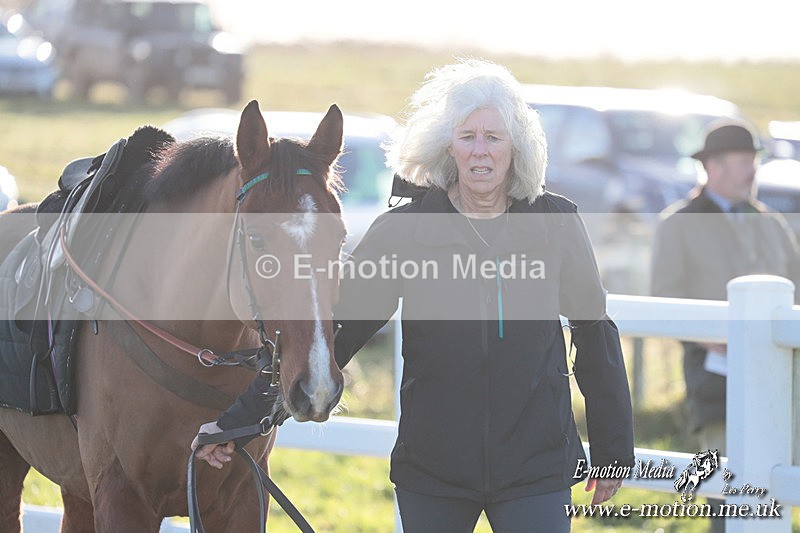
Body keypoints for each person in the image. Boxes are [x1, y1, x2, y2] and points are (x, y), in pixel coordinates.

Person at [193, 59, 635, 531]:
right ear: (447, 146)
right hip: (434, 473)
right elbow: (333, 332)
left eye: (494, 137)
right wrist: (241, 421)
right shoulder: (404, 231)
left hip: (536, 469)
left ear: (516, 147)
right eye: (467, 137)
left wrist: (612, 447)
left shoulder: (557, 223)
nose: (480, 151)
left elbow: (593, 330)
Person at [651, 120, 800, 532]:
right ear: (714, 166)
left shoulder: (772, 223)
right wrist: (711, 338)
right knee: (727, 493)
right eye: (743, 161)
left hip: (780, 382)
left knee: (776, 491)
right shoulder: (677, 224)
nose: (753, 171)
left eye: (753, 161)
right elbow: (665, 299)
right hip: (715, 384)